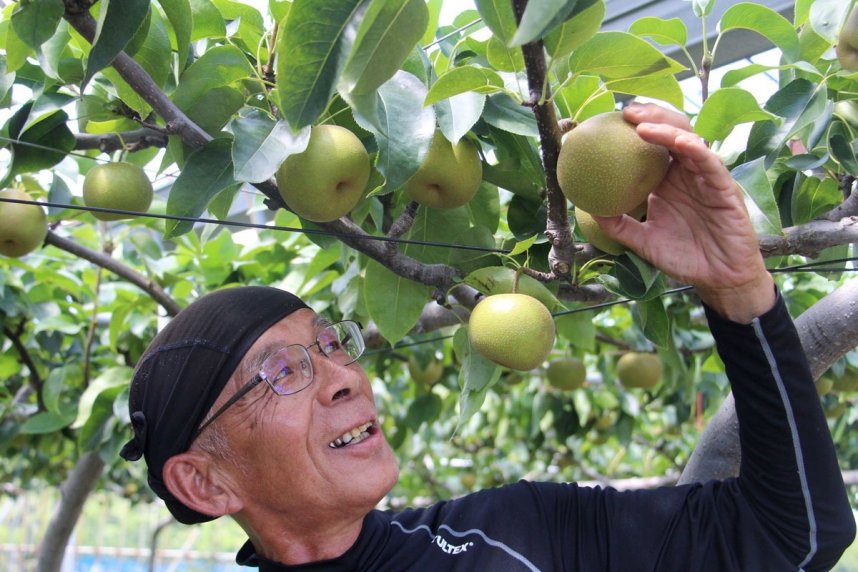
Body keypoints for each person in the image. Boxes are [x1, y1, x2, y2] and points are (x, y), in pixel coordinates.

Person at [119, 104, 856, 571]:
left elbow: (794, 538)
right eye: (282, 371)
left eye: (333, 344)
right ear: (204, 482)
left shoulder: (521, 533)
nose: (346, 377)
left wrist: (737, 293)